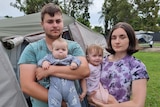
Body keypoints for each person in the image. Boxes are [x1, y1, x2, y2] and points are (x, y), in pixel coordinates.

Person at [18, 3, 90, 107]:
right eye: (50, 22)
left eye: (58, 21)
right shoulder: (31, 49)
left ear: (62, 23)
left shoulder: (74, 47)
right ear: (42, 24)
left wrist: (49, 70)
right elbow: (27, 86)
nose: (55, 25)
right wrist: (61, 103)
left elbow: (84, 71)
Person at [88, 22, 149, 107]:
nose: (117, 41)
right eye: (113, 38)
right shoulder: (101, 61)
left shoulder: (137, 66)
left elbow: (138, 104)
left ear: (130, 39)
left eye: (122, 37)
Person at [38, 37, 87, 107]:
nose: (60, 51)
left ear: (67, 51)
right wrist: (44, 63)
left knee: (75, 102)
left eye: (63, 49)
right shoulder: (49, 58)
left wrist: (75, 63)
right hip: (55, 88)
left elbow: (77, 60)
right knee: (53, 102)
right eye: (57, 49)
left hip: (70, 88)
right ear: (52, 50)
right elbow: (40, 61)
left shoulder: (69, 58)